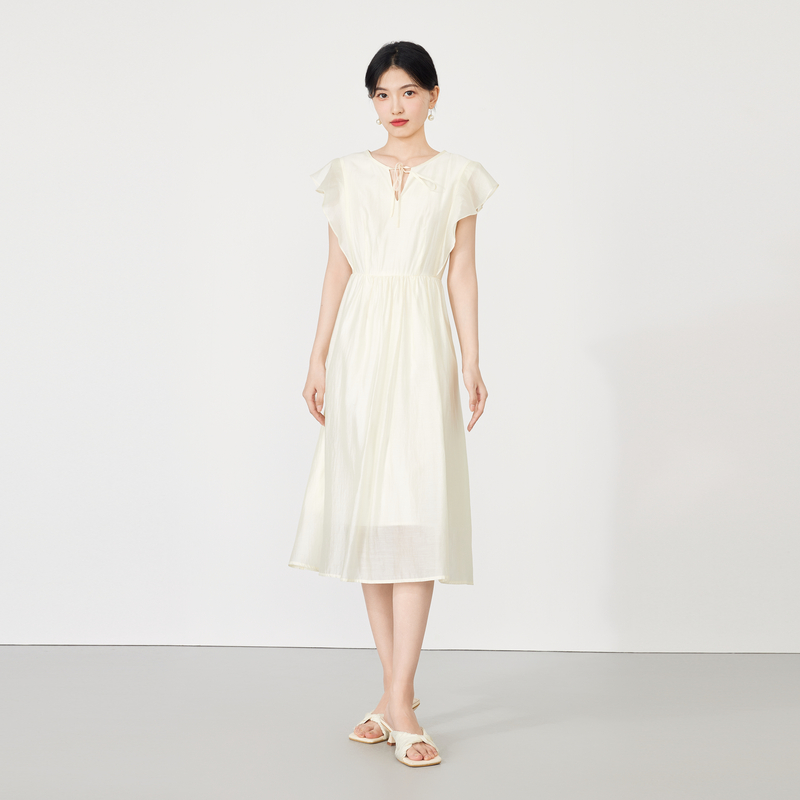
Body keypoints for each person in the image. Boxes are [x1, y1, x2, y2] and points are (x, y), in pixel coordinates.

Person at [288, 40, 499, 767]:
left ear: (434, 96)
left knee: (415, 514)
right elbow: (336, 270)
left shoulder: (459, 177)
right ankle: (397, 699)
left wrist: (471, 359)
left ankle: (396, 700)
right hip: (359, 351)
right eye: (382, 94)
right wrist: (317, 356)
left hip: (422, 348)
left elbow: (462, 274)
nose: (395, 107)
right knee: (374, 519)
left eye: (408, 91)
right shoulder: (346, 175)